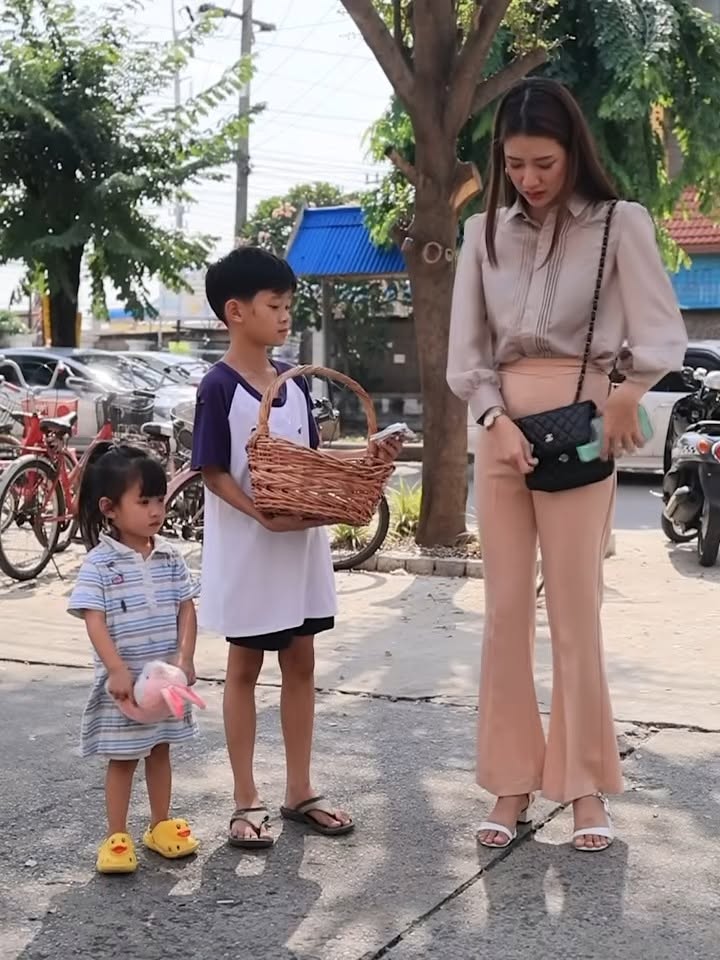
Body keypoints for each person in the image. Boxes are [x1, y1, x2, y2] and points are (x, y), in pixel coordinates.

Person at [447, 77, 687, 852]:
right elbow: (468, 354)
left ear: (573, 152)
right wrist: (493, 420)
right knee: (504, 612)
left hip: (583, 428)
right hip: (499, 430)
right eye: (515, 163)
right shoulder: (482, 234)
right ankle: (511, 782)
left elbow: (660, 331)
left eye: (544, 162)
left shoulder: (620, 224)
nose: (529, 178)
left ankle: (584, 786)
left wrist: (627, 395)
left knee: (576, 611)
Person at [192, 246, 402, 848]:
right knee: (244, 665)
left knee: (302, 660)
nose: (286, 316)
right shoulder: (219, 387)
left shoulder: (294, 384)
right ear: (236, 312)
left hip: (299, 548)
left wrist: (366, 458)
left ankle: (299, 790)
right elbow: (213, 472)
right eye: (274, 305)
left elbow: (308, 462)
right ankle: (245, 798)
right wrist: (260, 514)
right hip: (250, 550)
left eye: (288, 305)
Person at [68, 443, 201, 873]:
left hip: (163, 684)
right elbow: (93, 619)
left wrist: (185, 657)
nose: (156, 510)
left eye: (160, 499)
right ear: (109, 509)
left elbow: (186, 607)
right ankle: (117, 836)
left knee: (160, 750)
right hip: (125, 689)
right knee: (123, 759)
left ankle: (160, 824)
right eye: (143, 502)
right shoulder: (100, 564)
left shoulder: (170, 557)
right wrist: (116, 669)